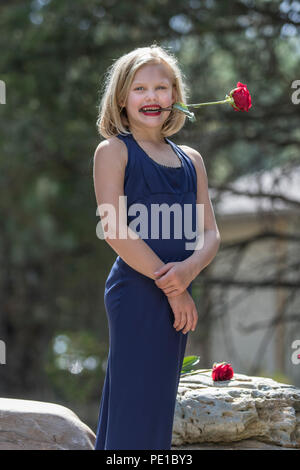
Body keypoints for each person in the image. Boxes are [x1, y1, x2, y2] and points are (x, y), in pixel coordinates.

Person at [93, 44, 220, 450]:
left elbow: (211, 234)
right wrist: (176, 287)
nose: (152, 97)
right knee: (134, 405)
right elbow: (114, 230)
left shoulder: (192, 160)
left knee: (156, 408)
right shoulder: (113, 152)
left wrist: (188, 272)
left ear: (175, 97)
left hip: (175, 293)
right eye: (140, 89)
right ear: (121, 100)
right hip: (135, 293)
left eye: (161, 88)